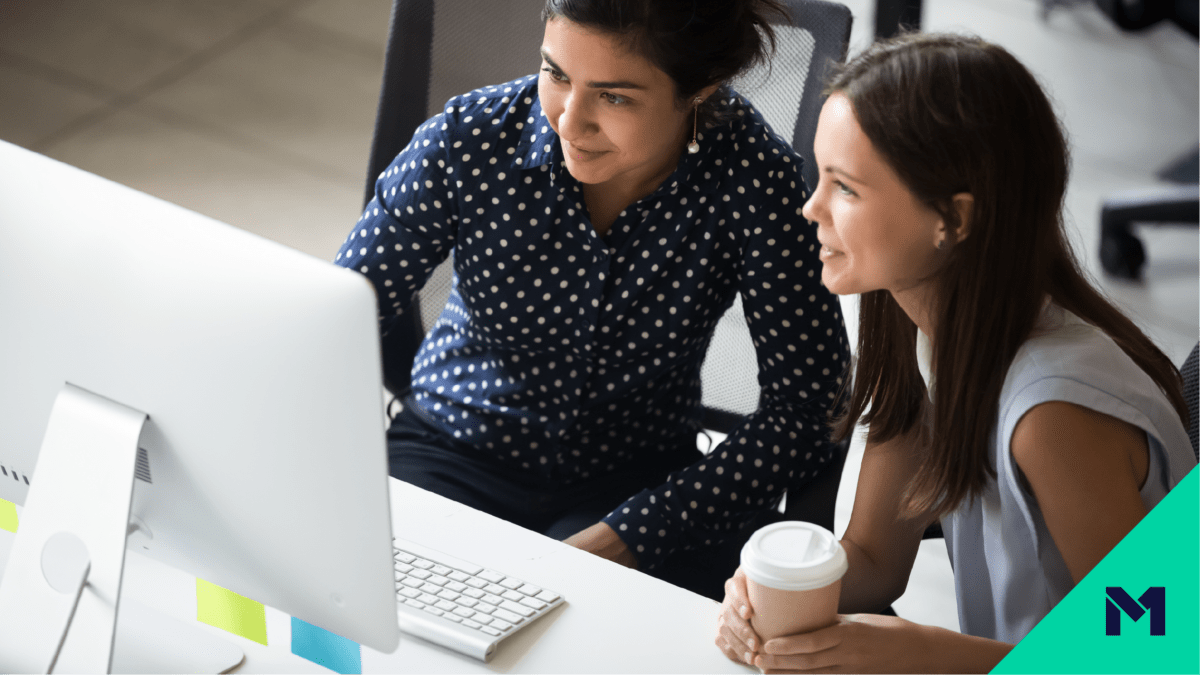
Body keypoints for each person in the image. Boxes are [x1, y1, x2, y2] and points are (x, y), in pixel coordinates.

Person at [334, 0, 850, 600]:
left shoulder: (755, 181)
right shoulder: (470, 138)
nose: (569, 122)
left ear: (701, 92)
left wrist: (640, 530)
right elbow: (337, 317)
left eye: (615, 97)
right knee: (372, 607)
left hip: (633, 483)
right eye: (556, 74)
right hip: (450, 447)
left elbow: (808, 406)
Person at [716, 31, 1197, 672]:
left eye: (846, 188)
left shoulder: (1053, 415)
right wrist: (767, 596)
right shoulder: (921, 328)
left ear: (953, 219)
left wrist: (923, 653)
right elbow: (876, 562)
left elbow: (1150, 651)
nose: (811, 208)